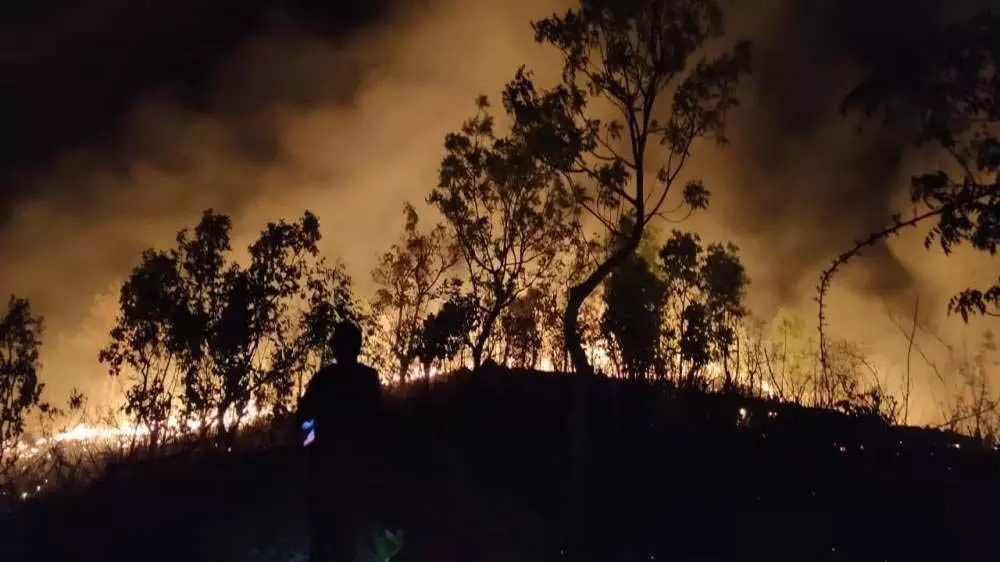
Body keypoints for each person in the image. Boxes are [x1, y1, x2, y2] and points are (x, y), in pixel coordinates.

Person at [297, 320, 383, 562]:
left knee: (342, 541)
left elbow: (377, 425)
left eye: (348, 345)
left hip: (348, 474)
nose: (344, 351)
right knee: (329, 542)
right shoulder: (326, 381)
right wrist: (313, 451)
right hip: (329, 474)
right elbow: (306, 419)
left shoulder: (362, 380)